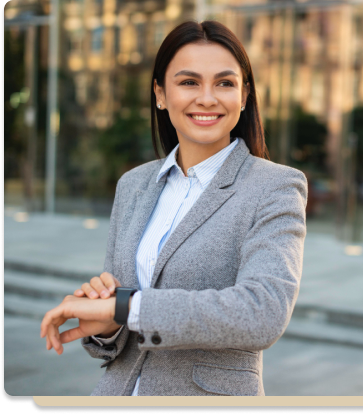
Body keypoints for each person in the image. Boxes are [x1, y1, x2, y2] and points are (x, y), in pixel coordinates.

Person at [40, 20, 307, 396]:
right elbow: (122, 325)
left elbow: (262, 312)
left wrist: (127, 307)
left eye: (225, 83)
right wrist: (107, 324)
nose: (208, 97)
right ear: (160, 94)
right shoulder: (133, 185)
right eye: (188, 82)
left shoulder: (275, 186)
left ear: (244, 96)